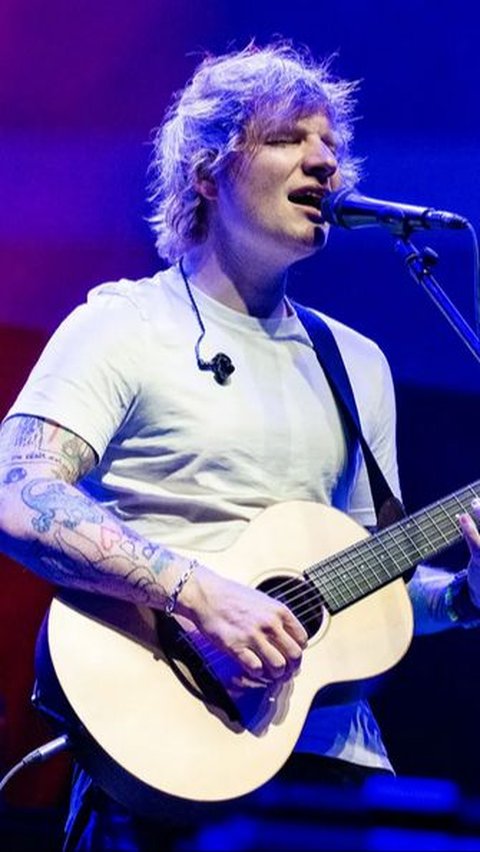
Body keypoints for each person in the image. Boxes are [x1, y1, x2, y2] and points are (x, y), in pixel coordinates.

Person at [0, 40, 479, 851]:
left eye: (331, 144)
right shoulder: (123, 325)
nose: (325, 162)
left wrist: (464, 597)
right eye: (290, 137)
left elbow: (371, 601)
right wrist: (201, 594)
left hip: (335, 773)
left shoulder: (356, 362)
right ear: (207, 170)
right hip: (165, 758)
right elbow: (18, 495)